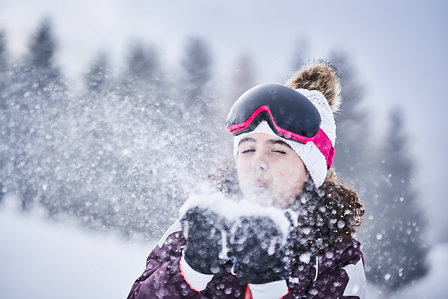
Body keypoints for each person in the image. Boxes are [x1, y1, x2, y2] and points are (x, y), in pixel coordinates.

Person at [127, 62, 366, 298]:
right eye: (248, 150)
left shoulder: (335, 251)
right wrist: (188, 274)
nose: (258, 163)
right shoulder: (202, 224)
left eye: (278, 151)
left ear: (310, 170)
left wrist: (270, 289)